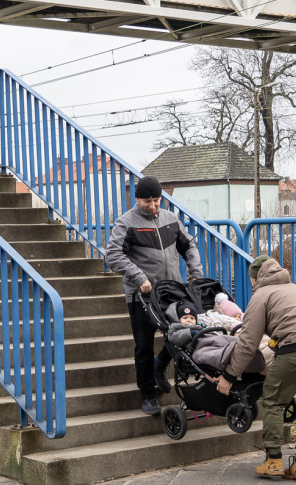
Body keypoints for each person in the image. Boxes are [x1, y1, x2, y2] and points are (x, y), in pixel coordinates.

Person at [216, 256, 296, 482]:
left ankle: (273, 460)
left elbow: (247, 343)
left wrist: (229, 375)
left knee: (272, 400)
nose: (252, 284)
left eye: (251, 280)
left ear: (255, 278)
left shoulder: (260, 295)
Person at [105, 175, 202, 415]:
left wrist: (195, 272)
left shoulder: (170, 219)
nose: (153, 206)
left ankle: (161, 365)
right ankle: (147, 394)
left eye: (157, 200)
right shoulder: (126, 222)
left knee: (178, 335)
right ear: (137, 199)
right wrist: (139, 278)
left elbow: (188, 245)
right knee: (144, 344)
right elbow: (113, 255)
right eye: (148, 201)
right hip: (142, 295)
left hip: (171, 290)